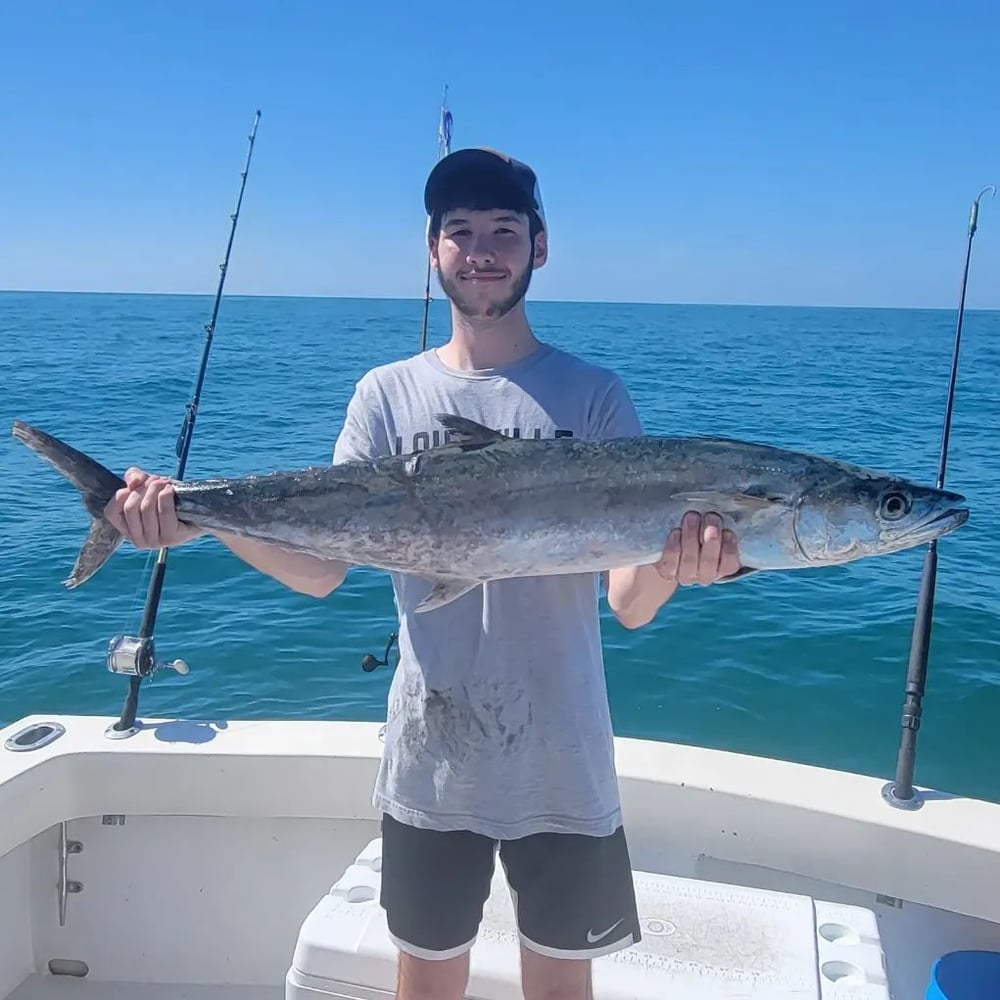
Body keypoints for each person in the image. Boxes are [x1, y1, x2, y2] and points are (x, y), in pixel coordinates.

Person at [104, 147, 742, 1000]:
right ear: (433, 251)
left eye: (504, 231)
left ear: (539, 248)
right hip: (430, 755)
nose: (482, 249)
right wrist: (196, 522)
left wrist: (681, 565)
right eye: (461, 231)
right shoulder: (385, 395)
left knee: (560, 984)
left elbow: (628, 600)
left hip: (564, 756)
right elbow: (321, 572)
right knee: (426, 979)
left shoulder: (593, 398)